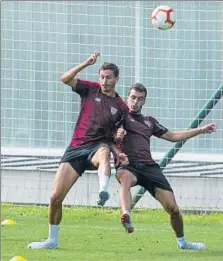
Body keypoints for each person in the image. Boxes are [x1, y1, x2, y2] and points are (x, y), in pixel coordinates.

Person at [28, 52, 128, 249]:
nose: (105, 81)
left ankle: (103, 190)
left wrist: (118, 143)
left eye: (109, 77)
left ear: (117, 79)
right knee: (55, 197)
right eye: (102, 76)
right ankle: (52, 240)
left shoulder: (121, 106)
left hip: (97, 148)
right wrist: (87, 63)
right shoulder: (90, 89)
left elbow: (116, 137)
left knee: (104, 152)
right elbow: (65, 79)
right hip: (76, 148)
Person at [115, 83, 216, 250]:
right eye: (132, 97)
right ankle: (126, 214)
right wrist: (116, 135)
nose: (135, 102)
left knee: (173, 209)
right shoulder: (119, 117)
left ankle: (182, 243)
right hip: (128, 166)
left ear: (144, 101)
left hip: (149, 168)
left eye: (140, 99)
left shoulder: (149, 122)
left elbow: (174, 136)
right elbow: (104, 132)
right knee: (125, 177)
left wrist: (201, 130)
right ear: (127, 98)